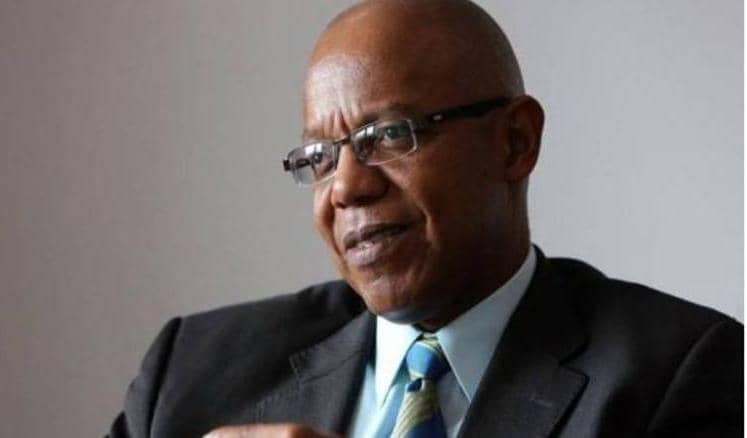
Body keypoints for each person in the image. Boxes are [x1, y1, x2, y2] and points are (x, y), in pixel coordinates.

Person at [108, 0, 743, 437]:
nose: (347, 187)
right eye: (320, 157)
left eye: (390, 134)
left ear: (515, 142)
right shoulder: (190, 372)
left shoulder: (678, 375)